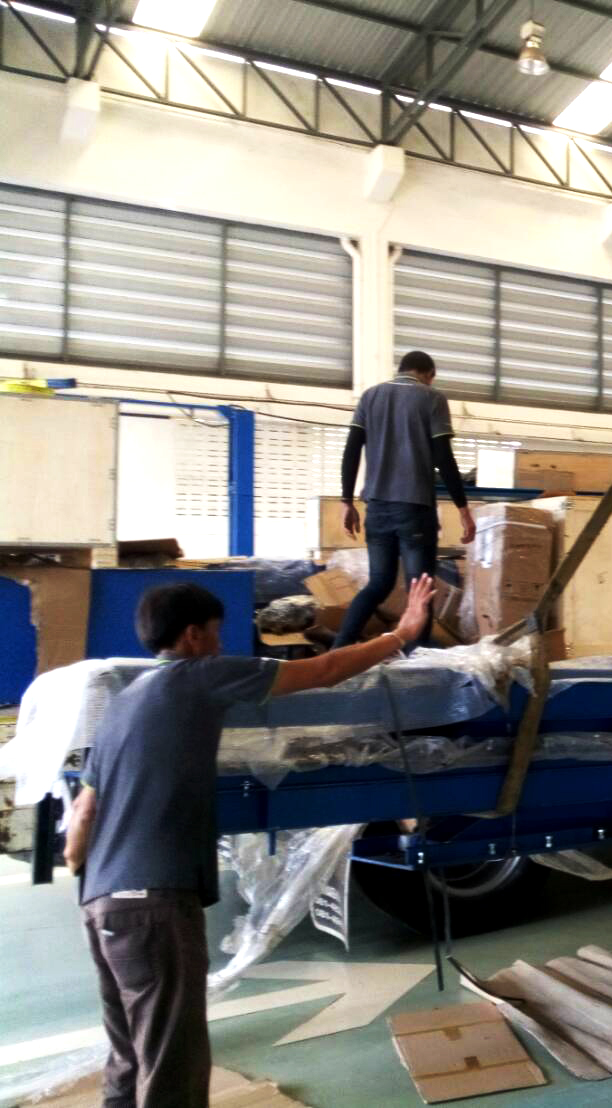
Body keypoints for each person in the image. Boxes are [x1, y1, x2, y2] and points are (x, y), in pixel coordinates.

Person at [64, 576, 435, 1108]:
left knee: (129, 1055)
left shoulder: (121, 704)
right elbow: (324, 670)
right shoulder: (202, 676)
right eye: (216, 633)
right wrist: (400, 634)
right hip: (154, 905)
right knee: (172, 1061)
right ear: (192, 635)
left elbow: (81, 818)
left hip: (101, 905)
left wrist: (99, 876)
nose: (221, 645)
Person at [337, 350, 475, 649]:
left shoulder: (370, 397)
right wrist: (463, 508)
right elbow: (443, 458)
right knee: (420, 589)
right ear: (429, 375)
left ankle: (339, 649)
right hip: (414, 508)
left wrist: (346, 501)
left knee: (379, 583)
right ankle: (418, 661)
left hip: (376, 507)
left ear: (403, 369)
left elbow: (351, 450)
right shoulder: (432, 398)